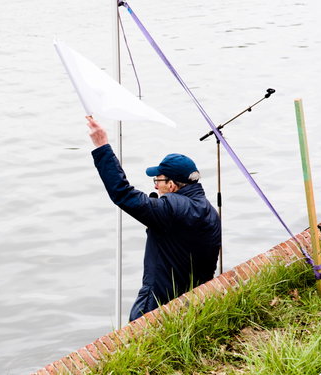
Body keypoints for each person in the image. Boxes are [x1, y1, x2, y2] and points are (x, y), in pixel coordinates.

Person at [85, 116, 221, 321]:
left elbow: (123, 194)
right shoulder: (210, 212)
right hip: (194, 304)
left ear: (172, 185)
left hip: (157, 305)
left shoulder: (170, 210)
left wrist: (102, 146)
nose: (155, 186)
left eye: (158, 180)